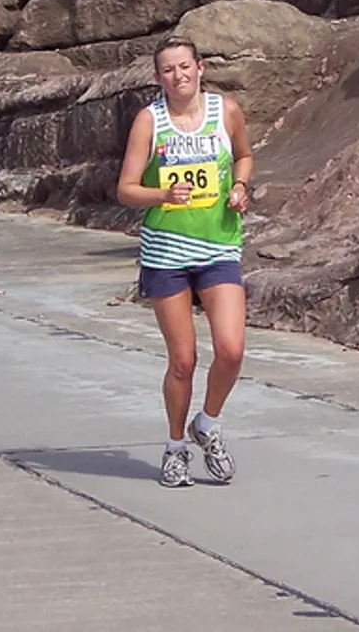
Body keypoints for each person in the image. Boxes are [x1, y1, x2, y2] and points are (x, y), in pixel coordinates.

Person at [115, 36, 255, 488]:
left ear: (201, 68)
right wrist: (162, 194)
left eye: (184, 66)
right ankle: (176, 447)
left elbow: (245, 157)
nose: (178, 76)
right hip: (167, 254)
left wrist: (240, 188)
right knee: (183, 361)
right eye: (168, 70)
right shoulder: (149, 121)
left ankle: (208, 424)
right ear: (159, 77)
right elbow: (125, 189)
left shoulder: (225, 111)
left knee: (231, 350)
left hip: (218, 249)